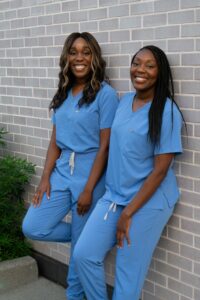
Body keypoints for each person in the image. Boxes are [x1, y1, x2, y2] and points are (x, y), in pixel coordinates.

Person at [73, 45, 184, 300]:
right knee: (84, 255)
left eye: (149, 65)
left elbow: (160, 171)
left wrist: (129, 212)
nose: (140, 70)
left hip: (149, 202)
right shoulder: (124, 103)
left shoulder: (166, 111)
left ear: (160, 73)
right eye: (136, 63)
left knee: (126, 275)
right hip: (115, 196)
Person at [22, 32, 118, 300]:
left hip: (91, 174)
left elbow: (105, 146)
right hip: (63, 171)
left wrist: (89, 189)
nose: (79, 57)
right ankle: (85, 236)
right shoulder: (63, 92)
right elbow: (55, 140)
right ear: (66, 57)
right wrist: (45, 178)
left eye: (86, 52)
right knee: (33, 225)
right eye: (74, 51)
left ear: (94, 57)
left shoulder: (105, 94)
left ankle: (74, 296)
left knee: (78, 254)